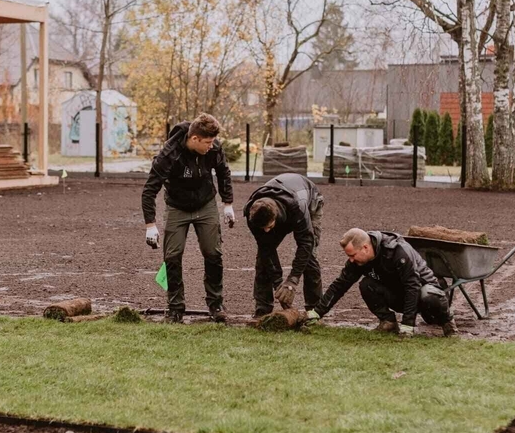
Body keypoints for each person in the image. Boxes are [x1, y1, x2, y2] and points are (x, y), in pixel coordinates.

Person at [141, 113, 234, 323]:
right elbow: (149, 189)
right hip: (177, 206)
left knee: (213, 252)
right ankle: (175, 307)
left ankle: (216, 304)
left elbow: (223, 172)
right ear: (194, 139)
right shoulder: (169, 155)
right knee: (172, 256)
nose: (212, 146)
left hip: (206, 203)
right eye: (208, 142)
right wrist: (150, 225)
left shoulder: (214, 148)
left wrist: (228, 204)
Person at [307, 228, 457, 336]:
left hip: (423, 295)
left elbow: (413, 286)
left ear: (365, 247)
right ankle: (388, 322)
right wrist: (317, 313)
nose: (350, 260)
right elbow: (340, 285)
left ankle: (448, 323)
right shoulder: (359, 260)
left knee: (428, 294)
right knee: (366, 285)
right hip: (400, 295)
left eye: (353, 255)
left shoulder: (398, 252)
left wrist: (408, 325)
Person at [244, 173, 324, 317]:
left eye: (269, 227)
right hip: (283, 208)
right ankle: (262, 309)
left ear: (275, 216)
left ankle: (315, 310)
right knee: (263, 259)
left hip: (309, 201)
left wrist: (292, 281)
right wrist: (279, 285)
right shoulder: (252, 215)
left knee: (309, 258)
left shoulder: (297, 207)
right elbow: (266, 250)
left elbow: (305, 244)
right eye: (263, 229)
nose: (266, 231)